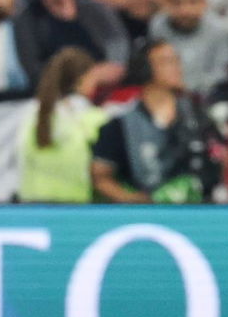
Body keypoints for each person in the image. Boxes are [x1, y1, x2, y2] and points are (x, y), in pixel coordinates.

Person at [91, 39, 219, 203]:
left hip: (199, 211)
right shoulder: (122, 122)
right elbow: (100, 175)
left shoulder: (199, 115)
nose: (176, 67)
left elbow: (220, 161)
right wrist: (133, 199)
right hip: (148, 215)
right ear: (145, 69)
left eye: (176, 60)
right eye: (167, 62)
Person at [17, 47, 109, 203]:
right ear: (82, 80)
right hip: (74, 207)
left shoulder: (30, 113)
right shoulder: (94, 119)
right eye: (93, 78)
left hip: (30, 204)